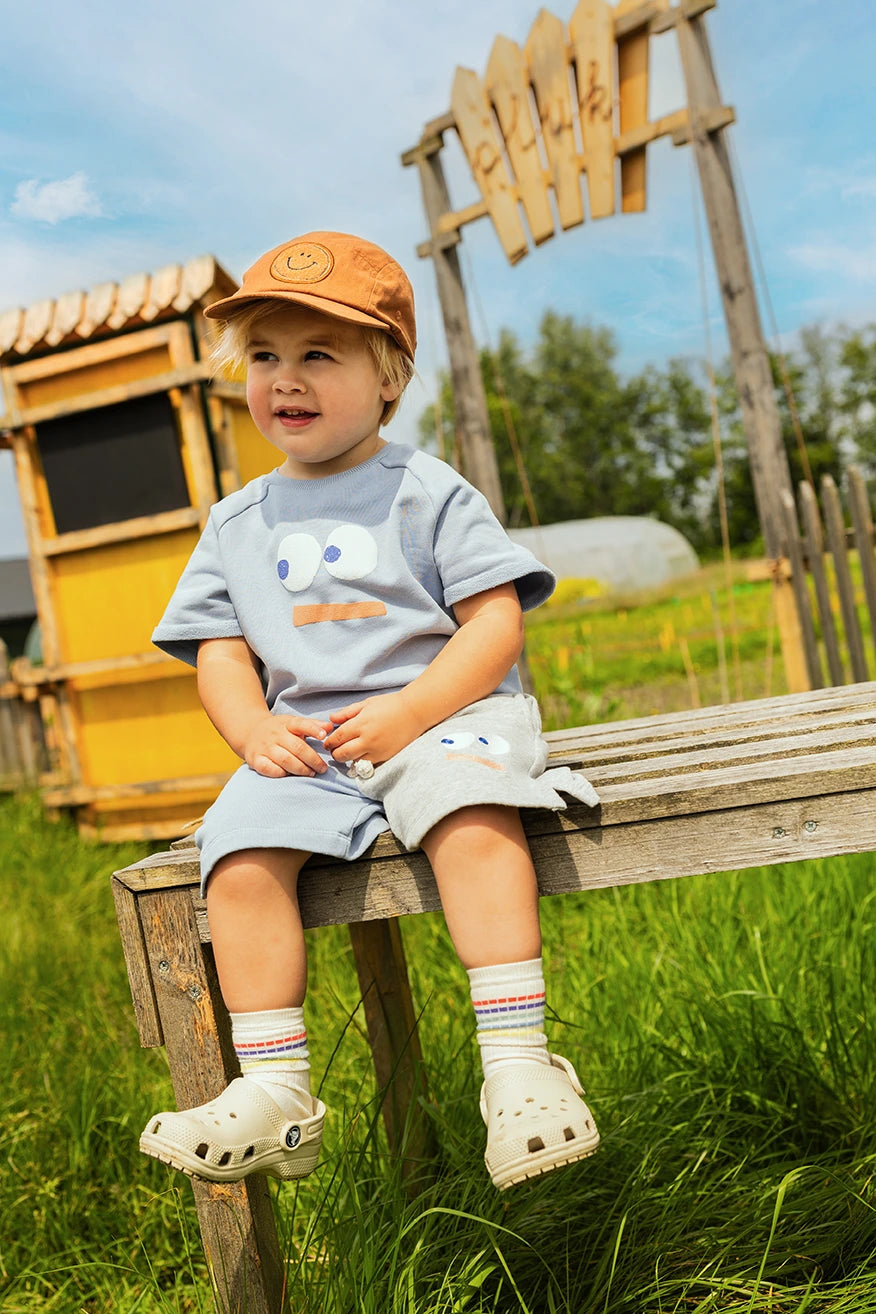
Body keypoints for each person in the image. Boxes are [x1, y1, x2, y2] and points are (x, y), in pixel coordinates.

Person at [140, 231, 600, 1191]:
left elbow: (494, 624)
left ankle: (518, 1062)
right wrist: (253, 731)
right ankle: (276, 1090)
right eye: (265, 356)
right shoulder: (234, 524)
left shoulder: (426, 491)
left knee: (471, 814)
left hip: (444, 711)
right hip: (314, 741)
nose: (286, 379)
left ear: (388, 376)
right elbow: (220, 654)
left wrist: (412, 710)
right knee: (239, 857)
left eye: (319, 354)